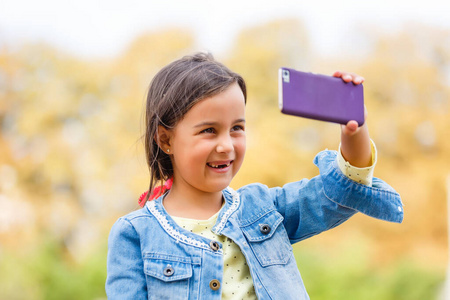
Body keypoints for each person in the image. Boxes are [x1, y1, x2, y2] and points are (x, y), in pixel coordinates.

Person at [105, 52, 403, 300]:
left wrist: (354, 130)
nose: (227, 145)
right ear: (165, 140)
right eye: (209, 130)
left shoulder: (264, 208)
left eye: (237, 128)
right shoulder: (135, 234)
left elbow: (338, 192)